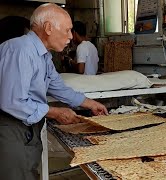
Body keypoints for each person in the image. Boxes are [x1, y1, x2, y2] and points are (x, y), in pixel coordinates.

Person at [0, 3, 108, 180]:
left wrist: (90, 103)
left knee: (28, 171)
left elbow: (58, 87)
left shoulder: (43, 56)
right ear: (48, 28)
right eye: (67, 30)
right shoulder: (20, 50)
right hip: (10, 127)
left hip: (28, 126)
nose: (70, 37)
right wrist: (54, 112)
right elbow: (12, 101)